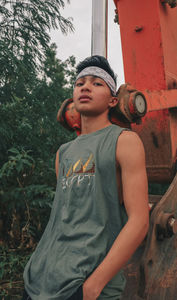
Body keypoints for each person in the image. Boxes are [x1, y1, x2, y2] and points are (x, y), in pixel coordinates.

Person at [23, 55, 149, 300]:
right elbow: (64, 217)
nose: (85, 87)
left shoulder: (125, 141)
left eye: (96, 83)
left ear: (113, 100)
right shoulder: (64, 153)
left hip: (86, 283)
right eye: (80, 83)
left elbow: (139, 221)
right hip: (40, 278)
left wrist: (94, 285)